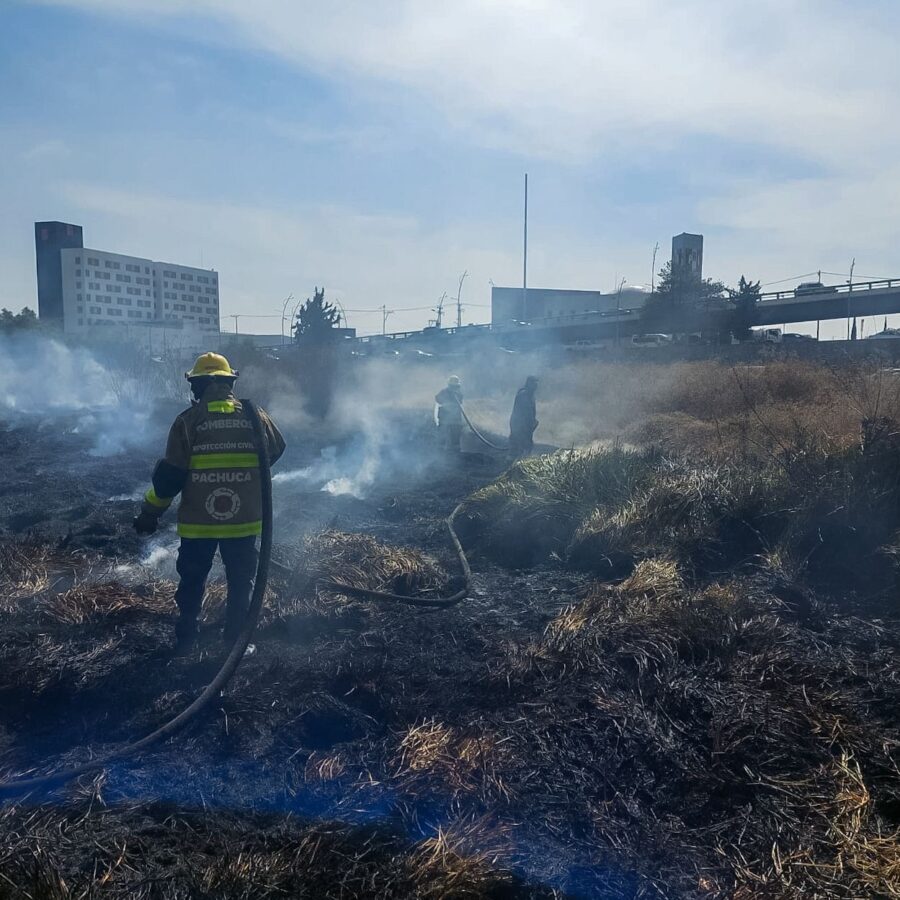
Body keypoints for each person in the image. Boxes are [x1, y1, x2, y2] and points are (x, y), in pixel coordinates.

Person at [133, 352, 285, 652]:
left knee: (191, 581)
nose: (192, 391)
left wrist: (149, 514)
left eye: (194, 385)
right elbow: (277, 449)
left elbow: (170, 477)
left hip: (198, 524)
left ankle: (187, 637)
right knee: (241, 584)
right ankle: (235, 642)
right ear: (229, 383)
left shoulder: (188, 422)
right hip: (243, 522)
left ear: (201, 386)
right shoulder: (256, 417)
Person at [509, 375, 539, 459]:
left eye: (536, 384)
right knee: (518, 446)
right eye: (534, 384)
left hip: (525, 426)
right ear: (529, 384)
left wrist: (533, 423)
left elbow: (531, 413)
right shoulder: (523, 396)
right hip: (519, 425)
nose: (536, 386)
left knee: (525, 446)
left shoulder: (530, 395)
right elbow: (525, 414)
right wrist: (530, 424)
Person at [434, 375, 464, 452]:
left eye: (456, 386)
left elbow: (460, 400)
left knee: (455, 435)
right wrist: (447, 396)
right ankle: (440, 451)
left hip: (455, 419)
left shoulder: (459, 394)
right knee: (442, 434)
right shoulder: (444, 392)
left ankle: (456, 452)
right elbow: (438, 399)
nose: (455, 388)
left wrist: (454, 394)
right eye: (453, 386)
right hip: (444, 418)